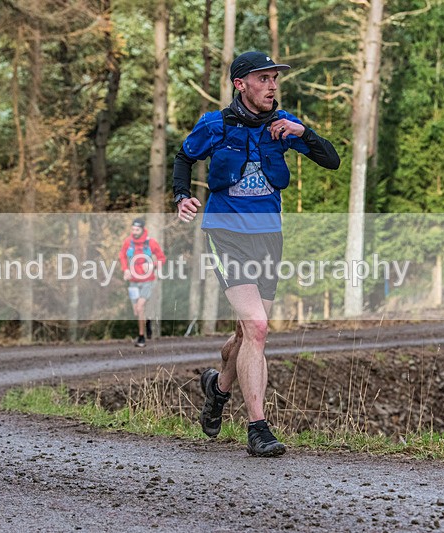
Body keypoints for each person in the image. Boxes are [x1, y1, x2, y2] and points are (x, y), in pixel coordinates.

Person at [173, 51, 340, 456]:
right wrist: (181, 196)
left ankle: (218, 387)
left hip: (268, 237)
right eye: (263, 78)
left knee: (246, 333)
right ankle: (257, 428)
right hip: (227, 234)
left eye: (275, 79)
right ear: (240, 84)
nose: (272, 86)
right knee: (259, 328)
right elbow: (183, 157)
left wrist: (303, 135)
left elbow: (331, 161)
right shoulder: (215, 124)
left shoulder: (284, 126)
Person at [119, 218, 165, 347]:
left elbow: (162, 258)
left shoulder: (151, 243)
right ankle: (147, 321)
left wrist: (153, 265)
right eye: (132, 229)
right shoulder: (128, 242)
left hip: (147, 281)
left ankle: (141, 338)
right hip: (133, 281)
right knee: (137, 311)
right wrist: (125, 269)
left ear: (142, 229)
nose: (134, 232)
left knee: (140, 307)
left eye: (137, 229)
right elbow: (122, 255)